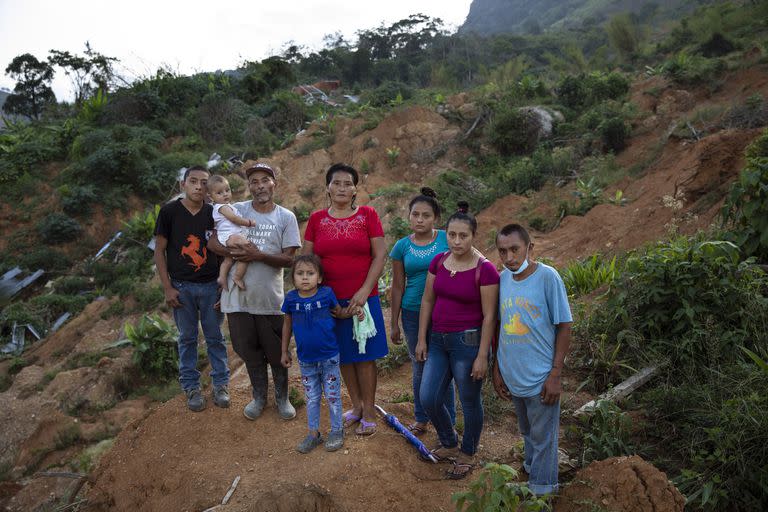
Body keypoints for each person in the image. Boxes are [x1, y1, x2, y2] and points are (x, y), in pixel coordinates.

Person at [208, 163, 301, 421]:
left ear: (274, 184)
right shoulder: (236, 209)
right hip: (238, 300)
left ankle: (282, 398)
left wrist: (257, 255)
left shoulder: (285, 217)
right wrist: (233, 252)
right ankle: (259, 397)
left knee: (276, 351)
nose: (260, 186)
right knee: (248, 350)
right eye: (254, 182)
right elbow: (213, 242)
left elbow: (289, 259)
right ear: (249, 186)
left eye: (264, 180)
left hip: (269, 299)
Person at [303, 163, 388, 436]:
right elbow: (307, 260)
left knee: (365, 355)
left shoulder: (367, 215)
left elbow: (380, 255)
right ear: (327, 187)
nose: (342, 188)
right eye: (336, 183)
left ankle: (371, 410)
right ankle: (358, 406)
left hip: (364, 298)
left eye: (347, 183)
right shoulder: (316, 220)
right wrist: (322, 298)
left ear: (355, 189)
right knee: (342, 356)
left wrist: (364, 292)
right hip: (329, 301)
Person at [416, 202, 499, 479]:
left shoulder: (485, 270)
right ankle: (449, 441)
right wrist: (421, 339)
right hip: (437, 340)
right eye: (452, 234)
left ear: (474, 236)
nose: (456, 241)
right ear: (446, 234)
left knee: (469, 400)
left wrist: (482, 356)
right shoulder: (438, 261)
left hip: (468, 343)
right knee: (428, 397)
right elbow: (428, 300)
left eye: (463, 235)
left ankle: (468, 451)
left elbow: (489, 317)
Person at [493, 223, 572, 496]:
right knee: (527, 430)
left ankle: (542, 491)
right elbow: (500, 326)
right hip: (514, 375)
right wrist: (497, 368)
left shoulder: (548, 277)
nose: (509, 257)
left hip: (541, 378)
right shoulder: (502, 279)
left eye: (515, 249)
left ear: (530, 247)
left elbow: (564, 326)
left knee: (544, 438)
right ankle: (532, 470)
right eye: (503, 252)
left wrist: (555, 374)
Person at [154, 165, 230, 412]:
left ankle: (220, 384)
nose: (199, 186)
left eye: (204, 182)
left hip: (211, 286)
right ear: (182, 185)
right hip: (182, 287)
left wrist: (222, 285)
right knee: (187, 338)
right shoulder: (169, 212)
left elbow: (223, 247)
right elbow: (159, 251)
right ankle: (191, 387)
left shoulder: (214, 213)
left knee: (215, 337)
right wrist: (167, 287)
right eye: (193, 181)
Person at [280, 255, 364, 453]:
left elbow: (339, 312)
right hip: (306, 360)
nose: (305, 278)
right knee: (312, 397)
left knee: (333, 395)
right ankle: (313, 434)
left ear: (319, 278)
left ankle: (337, 431)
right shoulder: (291, 299)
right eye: (300, 274)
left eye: (310, 273)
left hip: (329, 357)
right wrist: (284, 350)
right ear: (293, 278)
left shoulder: (326, 294)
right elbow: (287, 324)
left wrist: (354, 312)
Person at [389, 187, 455, 435]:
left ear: (435, 218)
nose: (420, 219)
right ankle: (421, 417)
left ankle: (447, 420)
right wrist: (394, 322)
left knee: (444, 366)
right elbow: (397, 286)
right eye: (415, 214)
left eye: (426, 215)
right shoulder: (401, 247)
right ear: (409, 216)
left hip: (444, 312)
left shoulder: (446, 239)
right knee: (419, 364)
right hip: (412, 313)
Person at [207, 175, 256, 291]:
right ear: (211, 197)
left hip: (228, 236)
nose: (225, 194)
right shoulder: (222, 207)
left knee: (228, 260)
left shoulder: (227, 206)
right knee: (248, 249)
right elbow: (234, 219)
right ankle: (237, 277)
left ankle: (222, 278)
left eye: (227, 190)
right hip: (230, 236)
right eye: (219, 193)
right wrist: (248, 222)